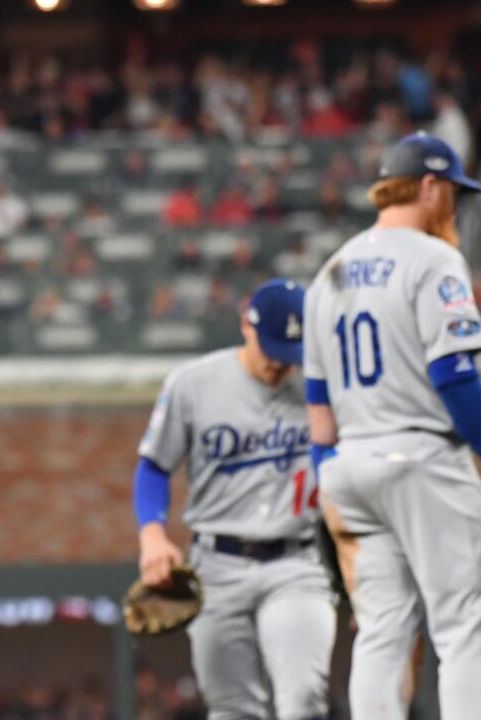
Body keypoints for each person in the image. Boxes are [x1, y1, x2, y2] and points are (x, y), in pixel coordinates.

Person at [304, 132, 481, 720]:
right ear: (428, 186)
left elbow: (317, 407)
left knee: (380, 630)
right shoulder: (434, 258)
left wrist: (331, 481)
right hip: (420, 457)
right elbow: (453, 373)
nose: (455, 203)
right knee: (466, 625)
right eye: (452, 190)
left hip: (350, 466)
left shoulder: (330, 271)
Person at [134, 279, 335, 720]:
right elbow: (153, 467)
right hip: (216, 564)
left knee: (303, 700)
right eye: (274, 350)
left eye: (291, 354)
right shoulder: (194, 383)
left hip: (296, 562)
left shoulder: (323, 388)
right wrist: (152, 535)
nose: (281, 365)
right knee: (232, 711)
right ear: (247, 324)